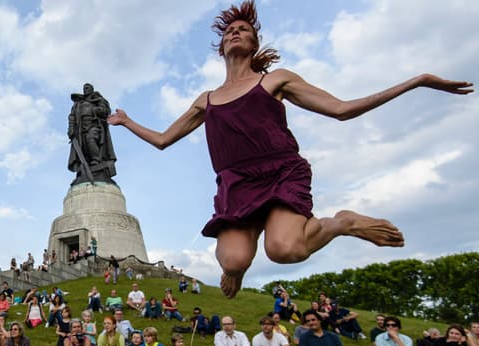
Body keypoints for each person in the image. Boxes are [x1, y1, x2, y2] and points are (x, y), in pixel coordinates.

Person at [107, 0, 472, 299]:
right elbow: (162, 140)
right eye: (230, 31)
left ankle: (342, 222)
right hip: (236, 184)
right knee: (232, 261)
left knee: (284, 251)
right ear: (222, 47)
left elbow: (341, 109)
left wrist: (417, 82)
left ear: (253, 44)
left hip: (281, 172)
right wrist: (127, 121)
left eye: (244, 30)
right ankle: (240, 269)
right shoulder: (207, 100)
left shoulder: (276, 80)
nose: (236, 33)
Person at [67, 82, 116, 185]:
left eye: (88, 87)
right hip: (80, 128)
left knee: (91, 139)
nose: (86, 89)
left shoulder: (98, 100)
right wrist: (71, 128)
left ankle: (96, 160)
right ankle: (87, 166)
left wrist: (97, 110)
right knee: (83, 146)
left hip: (94, 125)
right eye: (84, 88)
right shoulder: (78, 103)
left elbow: (106, 111)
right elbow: (72, 117)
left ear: (92, 89)